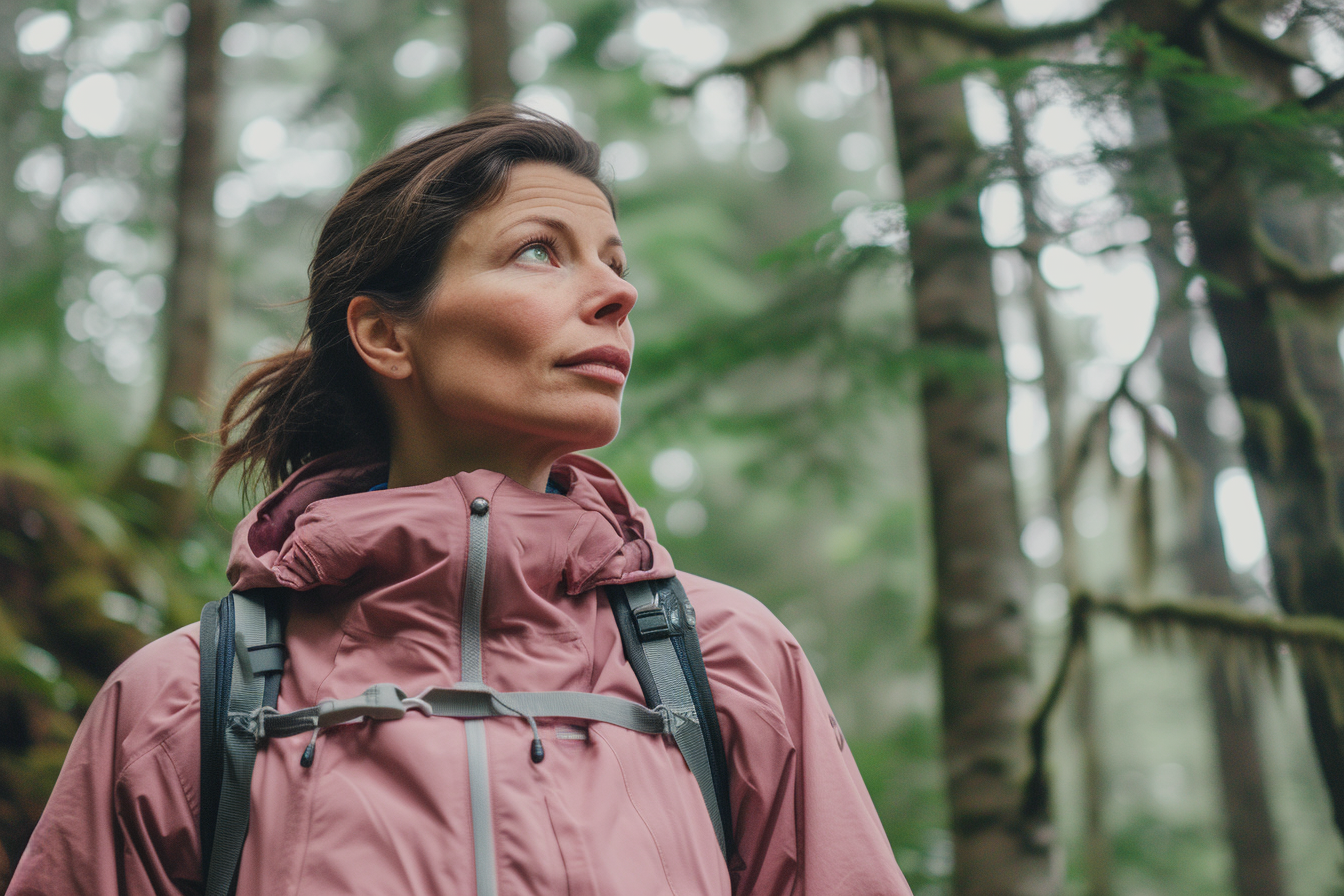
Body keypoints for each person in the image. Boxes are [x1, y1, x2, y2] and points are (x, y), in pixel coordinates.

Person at [7, 105, 911, 896]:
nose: (618, 293)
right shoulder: (178, 703)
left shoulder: (731, 664)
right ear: (385, 333)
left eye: (613, 262)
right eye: (538, 252)